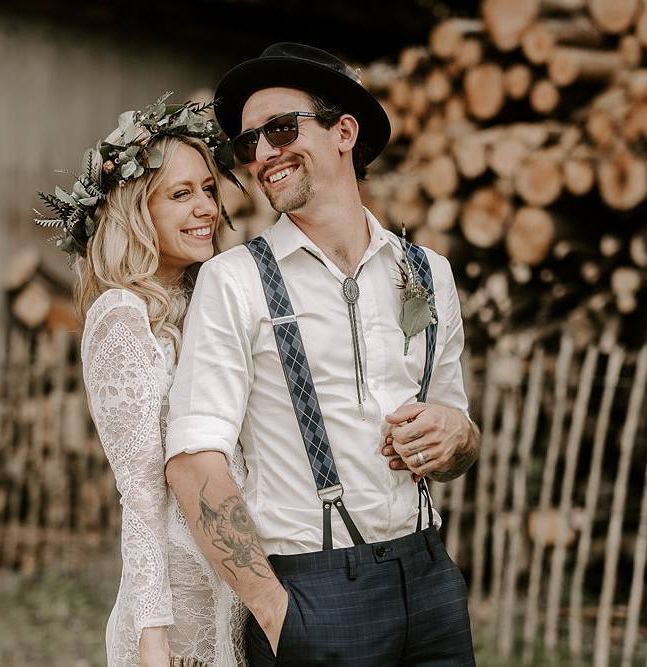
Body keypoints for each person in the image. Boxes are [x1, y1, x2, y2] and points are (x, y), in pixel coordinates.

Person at [165, 43, 481, 666]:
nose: (263, 154)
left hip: (431, 579)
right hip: (311, 592)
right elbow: (194, 461)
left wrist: (454, 435)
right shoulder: (235, 282)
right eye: (248, 142)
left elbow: (459, 430)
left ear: (344, 132)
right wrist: (278, 613)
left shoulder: (428, 273)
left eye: (281, 129)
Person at [35, 93, 248, 667]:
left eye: (208, 189)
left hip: (236, 589)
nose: (206, 207)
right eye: (181, 194)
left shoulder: (206, 301)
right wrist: (153, 636)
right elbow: (142, 489)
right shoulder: (122, 317)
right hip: (178, 612)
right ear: (137, 211)